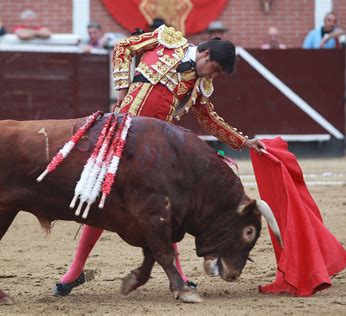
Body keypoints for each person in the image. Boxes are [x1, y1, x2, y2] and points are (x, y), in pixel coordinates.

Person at [53, 25, 266, 296]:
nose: (214, 75)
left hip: (153, 154)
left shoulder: (199, 86)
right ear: (206, 54)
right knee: (101, 198)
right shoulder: (167, 40)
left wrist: (243, 142)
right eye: (215, 69)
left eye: (218, 74)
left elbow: (209, 120)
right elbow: (123, 47)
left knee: (163, 211)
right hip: (120, 134)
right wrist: (121, 90)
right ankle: (75, 270)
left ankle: (178, 276)